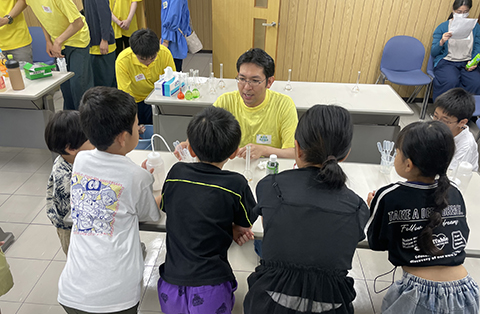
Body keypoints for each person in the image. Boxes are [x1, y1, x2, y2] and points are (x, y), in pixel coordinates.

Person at [243, 105, 369, 314]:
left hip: (271, 300)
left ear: (297, 149)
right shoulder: (357, 206)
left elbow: (275, 230)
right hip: (331, 304)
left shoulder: (270, 187)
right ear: (345, 155)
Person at [57, 87, 162, 314]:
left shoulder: (81, 159)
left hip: (72, 291)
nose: (138, 128)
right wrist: (159, 192)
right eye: (136, 125)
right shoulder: (137, 177)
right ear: (123, 137)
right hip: (116, 296)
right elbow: (150, 214)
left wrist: (138, 181)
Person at [367, 121, 479, 313]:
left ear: (408, 164)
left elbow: (376, 243)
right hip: (466, 292)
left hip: (417, 294)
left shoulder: (388, 195)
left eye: (397, 152)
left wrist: (375, 207)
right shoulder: (455, 192)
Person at [157, 106, 257, 314]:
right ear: (233, 153)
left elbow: (170, 207)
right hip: (211, 287)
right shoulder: (235, 184)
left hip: (170, 285)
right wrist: (232, 228)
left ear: (190, 149)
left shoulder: (176, 172)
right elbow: (246, 222)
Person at [175, 48, 298, 160]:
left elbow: (294, 153)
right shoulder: (226, 101)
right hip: (230, 168)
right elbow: (203, 130)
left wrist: (264, 150)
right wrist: (189, 143)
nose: (246, 87)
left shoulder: (283, 105)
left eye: (254, 81)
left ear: (269, 82)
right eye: (242, 79)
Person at [21, 0, 93, 110]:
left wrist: (58, 41)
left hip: (77, 41)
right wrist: (48, 41)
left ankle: (86, 119)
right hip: (58, 44)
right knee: (65, 85)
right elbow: (42, 18)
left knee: (78, 84)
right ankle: (70, 119)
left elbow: (78, 23)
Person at [44, 110, 94, 256]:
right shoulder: (65, 177)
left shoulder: (75, 159)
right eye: (90, 140)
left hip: (82, 226)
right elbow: (73, 216)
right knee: (80, 261)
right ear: (71, 148)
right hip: (71, 230)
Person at [116, 28, 175, 125]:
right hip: (136, 101)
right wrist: (133, 123)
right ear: (134, 53)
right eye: (142, 59)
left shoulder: (165, 53)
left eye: (152, 58)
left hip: (159, 97)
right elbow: (125, 95)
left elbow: (172, 81)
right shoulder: (123, 61)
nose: (148, 62)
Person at [431, 0, 480, 101]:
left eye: (465, 12)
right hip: (447, 62)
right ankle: (442, 111)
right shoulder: (443, 27)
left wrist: (474, 62)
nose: (462, 15)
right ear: (453, 10)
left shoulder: (475, 27)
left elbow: (477, 46)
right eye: (459, 12)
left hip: (467, 62)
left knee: (476, 82)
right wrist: (441, 41)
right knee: (450, 80)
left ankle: (465, 113)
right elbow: (434, 52)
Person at [433, 87, 478, 171]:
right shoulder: (438, 130)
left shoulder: (466, 146)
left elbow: (451, 174)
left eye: (445, 121)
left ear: (462, 122)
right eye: (435, 116)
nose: (437, 123)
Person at [83, 0, 117, 87]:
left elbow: (105, 15)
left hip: (102, 45)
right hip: (93, 44)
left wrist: (105, 39)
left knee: (105, 84)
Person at [161, 0, 191, 71]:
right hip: (169, 37)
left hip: (173, 39)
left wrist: (165, 41)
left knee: (173, 70)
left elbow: (173, 18)